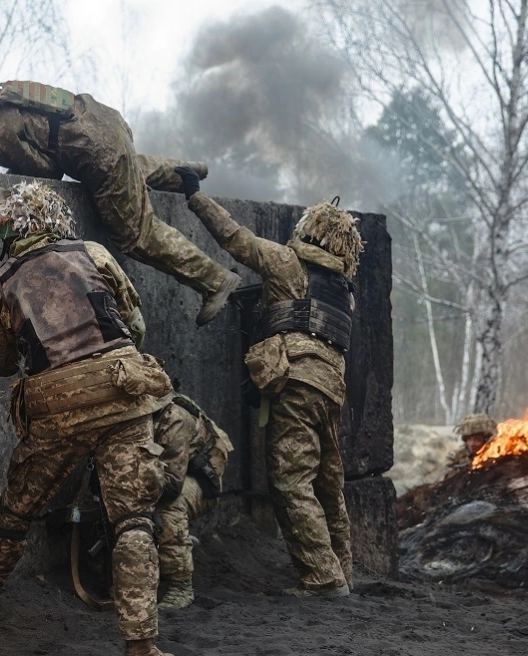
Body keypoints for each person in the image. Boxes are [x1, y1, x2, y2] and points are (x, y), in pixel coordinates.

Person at [0, 181, 175, 656]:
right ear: (56, 221)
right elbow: (135, 324)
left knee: (16, 510)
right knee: (133, 518)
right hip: (123, 388)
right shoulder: (91, 252)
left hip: (57, 406)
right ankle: (141, 645)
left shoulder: (2, 283)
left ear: (8, 232)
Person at [0, 68, 242, 327]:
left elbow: (47, 170)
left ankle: (215, 281)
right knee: (127, 168)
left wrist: (13, 194)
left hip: (96, 153)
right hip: (103, 121)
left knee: (135, 235)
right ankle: (185, 171)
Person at [173, 167, 362, 598]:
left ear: (308, 230)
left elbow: (233, 237)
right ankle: (343, 571)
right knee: (330, 486)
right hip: (331, 390)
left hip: (295, 383)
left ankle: (323, 578)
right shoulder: (343, 290)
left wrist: (195, 196)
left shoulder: (286, 263)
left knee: (291, 481)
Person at [152, 395, 233, 609]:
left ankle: (180, 586)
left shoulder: (174, 418)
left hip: (199, 482)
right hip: (163, 474)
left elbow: (171, 485)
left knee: (169, 508)